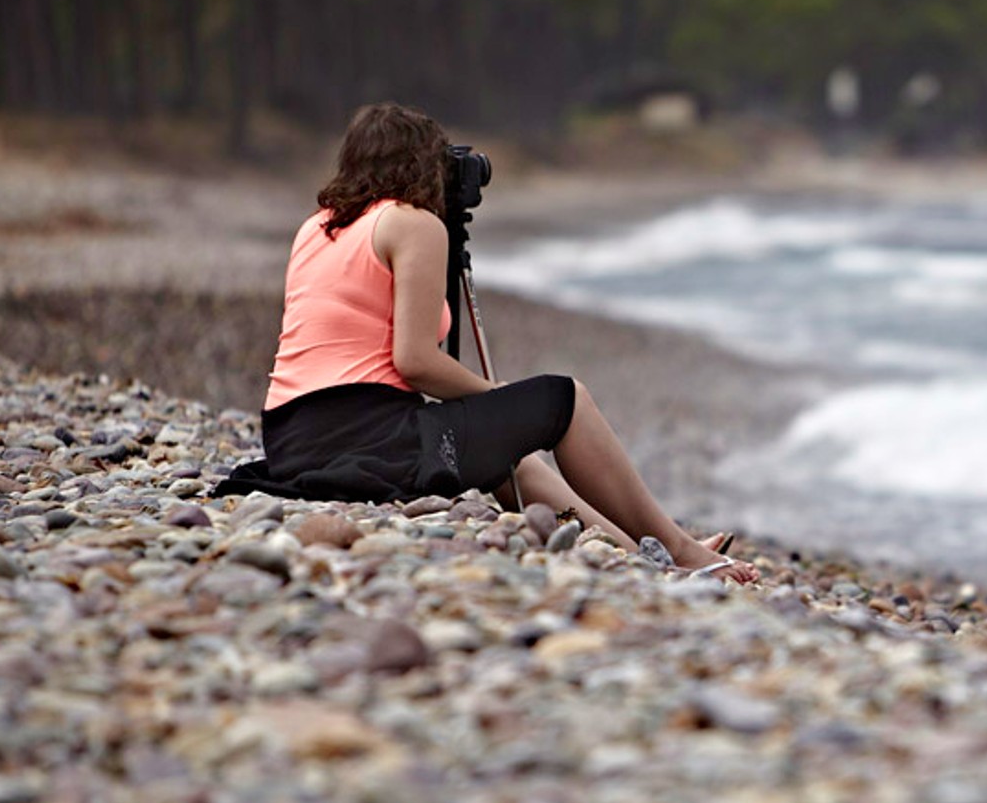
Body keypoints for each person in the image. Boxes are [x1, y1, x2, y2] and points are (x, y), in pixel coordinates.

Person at [217, 102, 754, 581]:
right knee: (565, 399)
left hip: (290, 440)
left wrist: (493, 415)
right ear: (424, 164)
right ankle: (685, 551)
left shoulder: (317, 227)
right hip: (366, 438)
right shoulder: (412, 223)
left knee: (506, 457)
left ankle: (644, 553)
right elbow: (416, 361)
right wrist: (496, 397)